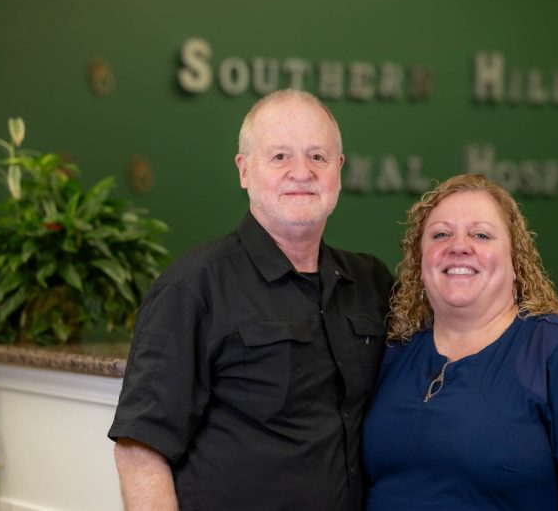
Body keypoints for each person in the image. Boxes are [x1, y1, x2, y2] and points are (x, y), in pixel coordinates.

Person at [108, 89, 393, 511]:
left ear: (340, 169)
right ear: (244, 170)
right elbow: (140, 448)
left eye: (318, 156)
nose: (302, 172)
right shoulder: (192, 287)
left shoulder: (370, 282)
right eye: (280, 157)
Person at [362, 174, 558, 510]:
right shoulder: (395, 351)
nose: (459, 245)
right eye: (440, 234)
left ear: (515, 260)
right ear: (420, 261)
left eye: (481, 234)